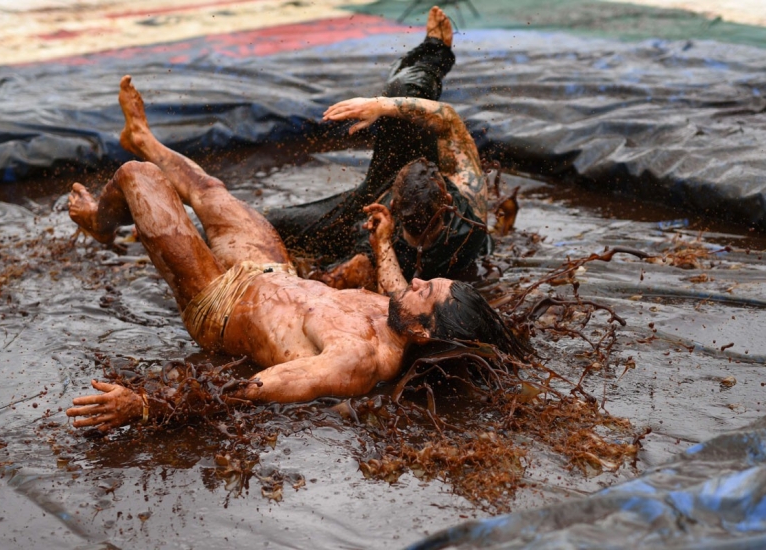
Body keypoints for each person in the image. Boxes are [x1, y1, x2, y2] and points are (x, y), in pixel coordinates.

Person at [64, 76, 528, 432]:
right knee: (208, 189)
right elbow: (396, 288)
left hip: (218, 302)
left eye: (426, 291)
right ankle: (142, 134)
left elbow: (249, 392)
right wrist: (384, 243)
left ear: (425, 332)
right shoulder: (400, 316)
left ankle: (98, 222)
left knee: (136, 176)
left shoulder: (356, 361)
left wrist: (145, 405)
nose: (416, 281)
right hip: (267, 268)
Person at [267, 6, 491, 289]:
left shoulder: (385, 258)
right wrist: (380, 106)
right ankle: (435, 51)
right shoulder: (469, 198)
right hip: (385, 216)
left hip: (373, 222)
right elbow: (448, 119)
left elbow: (392, 298)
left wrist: (381, 244)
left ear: (394, 205)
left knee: (270, 224)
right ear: (446, 198)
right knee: (402, 93)